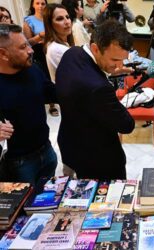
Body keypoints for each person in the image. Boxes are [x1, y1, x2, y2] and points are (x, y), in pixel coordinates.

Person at [55, 20, 135, 180]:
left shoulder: (72, 53)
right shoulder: (98, 88)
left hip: (71, 142)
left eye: (123, 60)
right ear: (95, 48)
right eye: (114, 60)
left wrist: (109, 71)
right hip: (99, 159)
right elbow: (127, 125)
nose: (119, 65)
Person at [0, 23, 57, 185]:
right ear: (3, 54)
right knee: (25, 207)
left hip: (46, 150)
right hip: (19, 163)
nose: (31, 50)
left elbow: (53, 93)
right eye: (23, 47)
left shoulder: (32, 69)